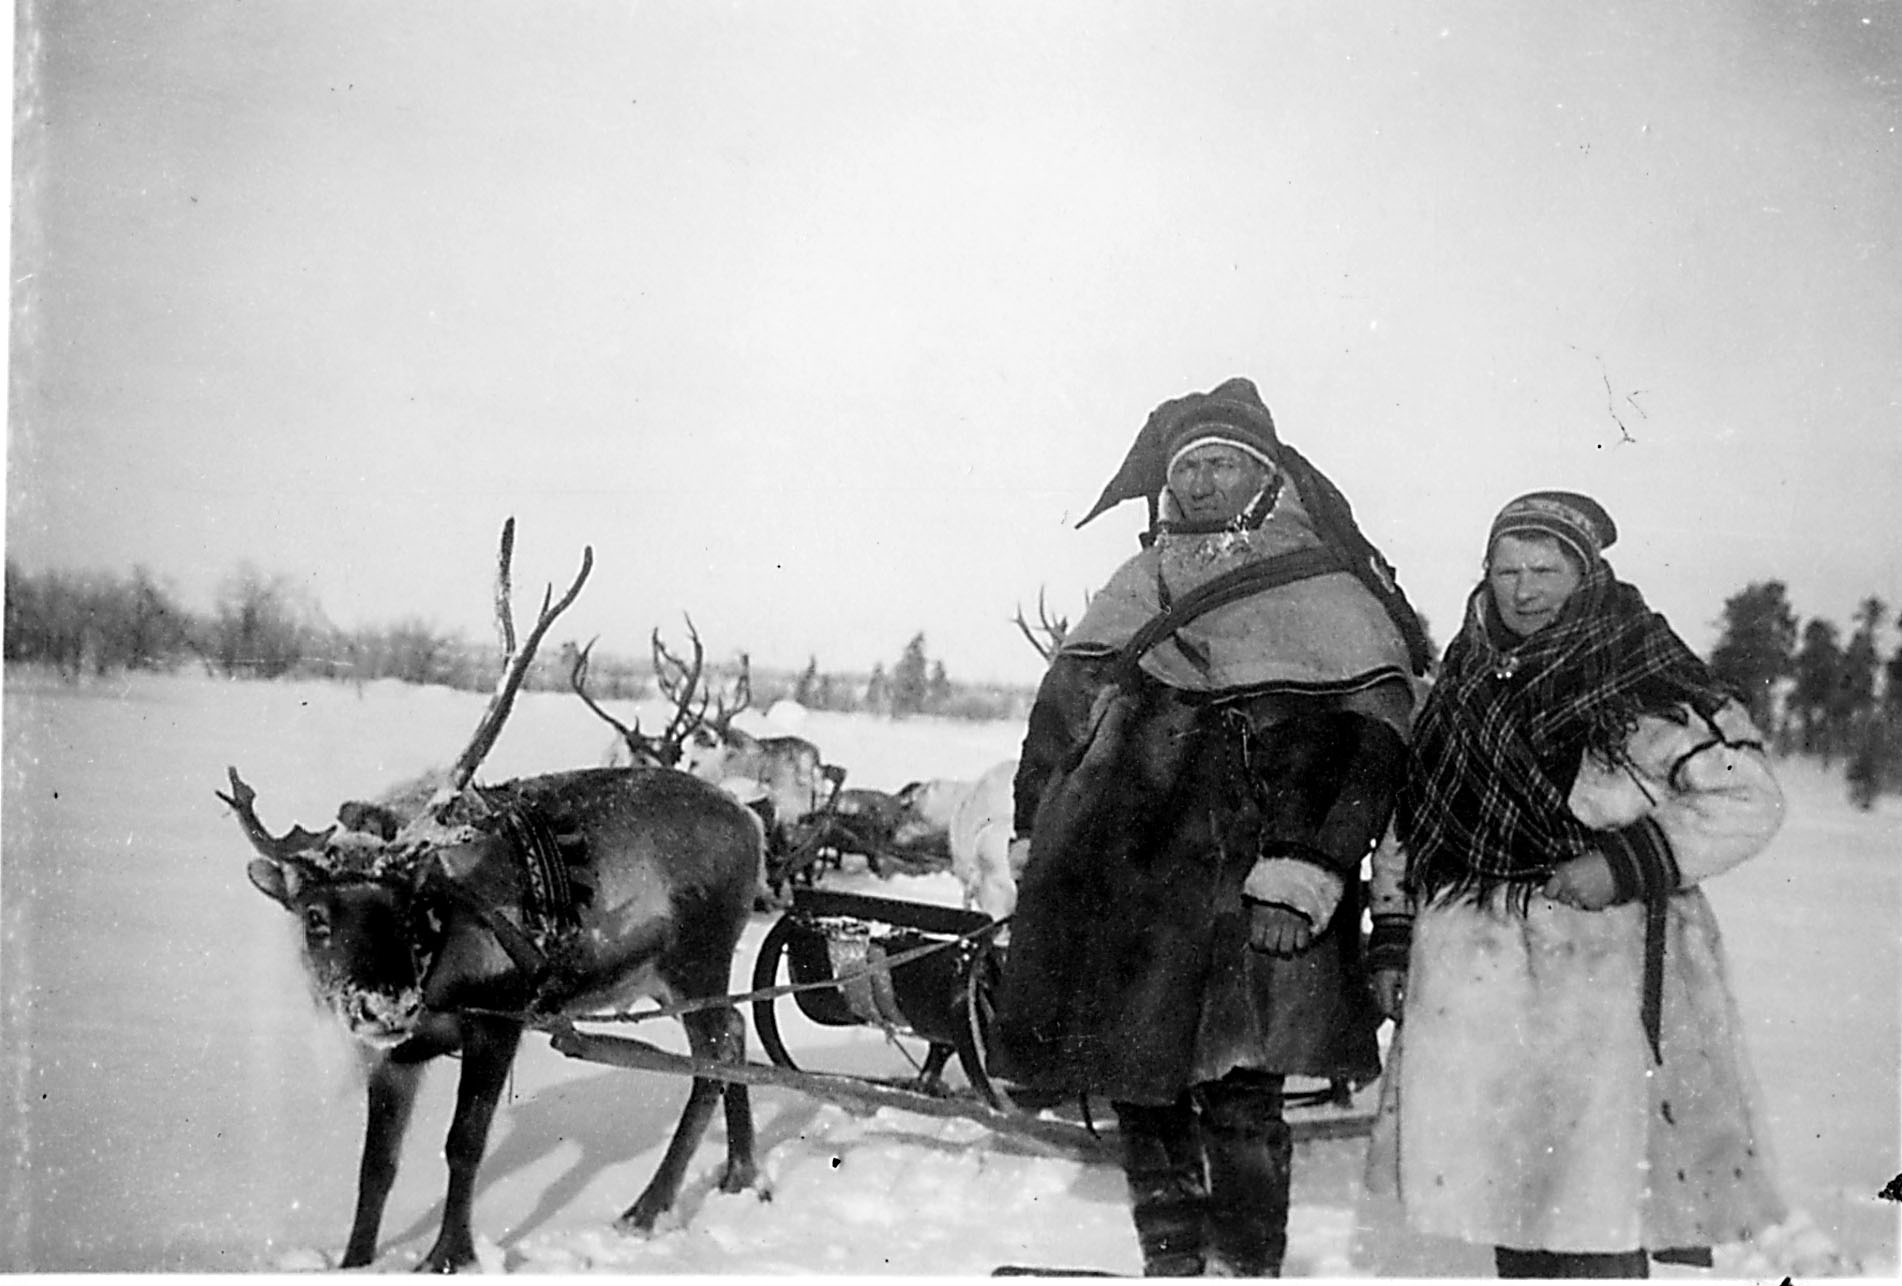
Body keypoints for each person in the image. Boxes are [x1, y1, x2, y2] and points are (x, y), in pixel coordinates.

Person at [991, 377, 1433, 1277]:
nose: (1199, 488)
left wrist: (1307, 867)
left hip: (1257, 885)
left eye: (1223, 466)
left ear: (1268, 479)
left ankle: (1245, 1270)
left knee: (1239, 1095)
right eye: (1187, 471)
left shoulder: (1331, 591)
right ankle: (1174, 1265)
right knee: (1138, 1088)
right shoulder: (1140, 580)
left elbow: (1372, 752)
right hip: (1130, 881)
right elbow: (1060, 715)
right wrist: (1039, 833)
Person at [1365, 490, 1787, 1278]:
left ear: (1586, 574)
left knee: (1596, 1208)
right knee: (1508, 1202)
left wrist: (1624, 862)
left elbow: (1749, 798)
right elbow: (1411, 822)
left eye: (1545, 570)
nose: (1523, 591)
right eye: (1506, 570)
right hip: (1476, 980)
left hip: (1602, 978)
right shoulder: (1460, 683)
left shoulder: (1647, 685)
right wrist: (1392, 937)